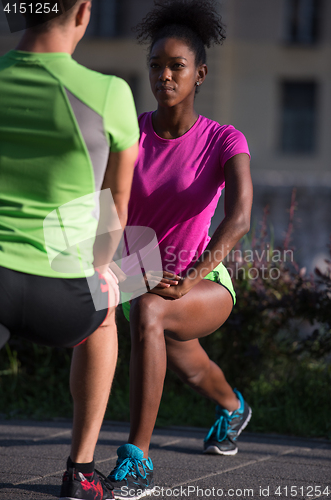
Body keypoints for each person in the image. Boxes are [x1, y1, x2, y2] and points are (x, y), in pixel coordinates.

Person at [106, 0, 254, 498]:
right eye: (156, 65)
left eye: (177, 66)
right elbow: (110, 208)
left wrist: (192, 276)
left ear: (200, 74)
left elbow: (238, 219)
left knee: (151, 314)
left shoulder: (224, 139)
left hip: (204, 281)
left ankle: (137, 461)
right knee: (189, 364)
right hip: (140, 275)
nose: (164, 75)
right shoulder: (130, 135)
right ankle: (234, 408)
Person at [0, 1, 139, 499]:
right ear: (83, 11)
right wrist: (103, 267)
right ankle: (80, 472)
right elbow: (115, 202)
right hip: (64, 296)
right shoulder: (110, 93)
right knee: (105, 313)